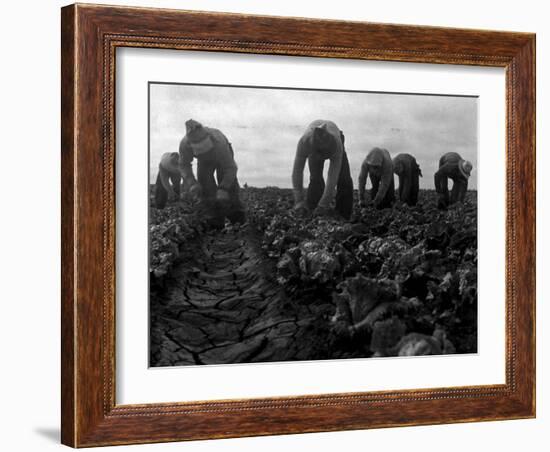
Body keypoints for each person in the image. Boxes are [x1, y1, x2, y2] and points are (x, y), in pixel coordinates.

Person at [178, 119, 245, 227]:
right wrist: (192, 183)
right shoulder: (185, 145)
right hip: (203, 162)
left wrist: (223, 188)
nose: (204, 151)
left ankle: (238, 221)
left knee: (230, 188)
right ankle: (214, 222)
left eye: (205, 147)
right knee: (205, 187)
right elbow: (183, 165)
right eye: (200, 149)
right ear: (191, 145)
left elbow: (230, 167)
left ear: (210, 139)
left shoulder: (219, 142)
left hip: (221, 158)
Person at [291, 120, 353, 220]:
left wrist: (323, 205)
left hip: (336, 136)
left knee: (344, 178)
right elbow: (297, 172)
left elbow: (333, 177)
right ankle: (312, 212)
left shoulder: (337, 145)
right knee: (315, 178)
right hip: (313, 144)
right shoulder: (304, 142)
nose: (322, 157)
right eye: (320, 155)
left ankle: (343, 215)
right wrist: (299, 201)